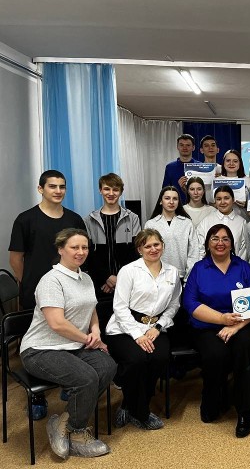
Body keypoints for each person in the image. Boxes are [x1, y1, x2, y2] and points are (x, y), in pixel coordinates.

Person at [20, 228, 116, 459]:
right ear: (61, 249)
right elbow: (57, 323)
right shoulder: (51, 281)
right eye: (75, 247)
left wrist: (96, 331)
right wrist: (88, 340)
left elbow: (91, 309)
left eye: (84, 247)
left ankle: (64, 422)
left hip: (73, 346)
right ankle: (79, 431)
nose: (81, 252)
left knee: (107, 367)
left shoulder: (85, 278)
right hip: (40, 350)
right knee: (86, 378)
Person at [9, 170, 86, 420]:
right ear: (40, 189)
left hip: (68, 293)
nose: (58, 191)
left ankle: (68, 384)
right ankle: (36, 396)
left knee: (67, 338)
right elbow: (16, 258)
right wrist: (29, 284)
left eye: (62, 186)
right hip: (34, 293)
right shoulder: (25, 219)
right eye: (52, 186)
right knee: (37, 342)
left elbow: (80, 253)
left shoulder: (74, 219)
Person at [183, 224, 250, 437]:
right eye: (215, 238)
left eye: (225, 239)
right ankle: (214, 400)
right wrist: (221, 319)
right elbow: (190, 303)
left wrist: (234, 327)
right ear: (208, 244)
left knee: (245, 348)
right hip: (207, 326)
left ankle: (245, 411)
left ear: (232, 244)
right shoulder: (199, 268)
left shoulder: (243, 266)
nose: (220, 243)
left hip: (241, 324)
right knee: (216, 354)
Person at [105, 229, 181, 430]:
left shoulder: (172, 272)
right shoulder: (128, 271)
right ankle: (142, 412)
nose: (153, 249)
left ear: (163, 245)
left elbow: (174, 304)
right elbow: (120, 307)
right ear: (139, 249)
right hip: (124, 327)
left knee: (159, 358)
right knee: (136, 360)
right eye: (147, 246)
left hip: (155, 327)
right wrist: (138, 335)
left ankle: (128, 404)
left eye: (156, 244)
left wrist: (159, 327)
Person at [84, 173, 141, 332]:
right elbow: (90, 255)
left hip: (127, 282)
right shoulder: (89, 220)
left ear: (121, 192)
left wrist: (119, 279)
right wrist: (106, 278)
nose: (111, 193)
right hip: (101, 285)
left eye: (115, 189)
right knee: (102, 325)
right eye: (107, 189)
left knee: (125, 324)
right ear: (100, 190)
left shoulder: (133, 218)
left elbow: (134, 253)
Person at [145, 186, 199, 280]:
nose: (171, 202)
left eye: (175, 199)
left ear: (178, 202)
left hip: (182, 276)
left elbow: (194, 252)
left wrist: (188, 276)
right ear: (161, 201)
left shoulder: (187, 223)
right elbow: (146, 252)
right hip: (157, 276)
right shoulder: (151, 224)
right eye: (167, 198)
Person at [197, 185, 248, 260]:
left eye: (226, 198)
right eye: (219, 199)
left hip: (235, 266)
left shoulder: (242, 223)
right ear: (215, 201)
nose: (222, 202)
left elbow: (244, 251)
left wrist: (235, 265)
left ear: (233, 200)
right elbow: (200, 249)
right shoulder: (206, 221)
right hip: (209, 266)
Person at [215, 149, 250, 219]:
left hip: (243, 218)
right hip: (220, 219)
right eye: (228, 161)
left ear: (240, 163)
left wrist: (246, 205)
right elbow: (212, 203)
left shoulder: (247, 181)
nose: (231, 163)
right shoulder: (217, 181)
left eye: (235, 161)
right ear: (223, 163)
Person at [162, 134, 196, 203]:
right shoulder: (170, 167)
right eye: (181, 145)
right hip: (175, 206)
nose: (184, 148)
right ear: (177, 147)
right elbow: (165, 191)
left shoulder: (201, 166)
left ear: (193, 147)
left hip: (196, 205)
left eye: (188, 145)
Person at [199, 135, 221, 202]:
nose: (210, 147)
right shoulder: (196, 171)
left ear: (218, 150)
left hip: (221, 205)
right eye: (206, 146)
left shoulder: (224, 170)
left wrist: (223, 179)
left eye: (213, 145)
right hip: (203, 205)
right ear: (201, 150)